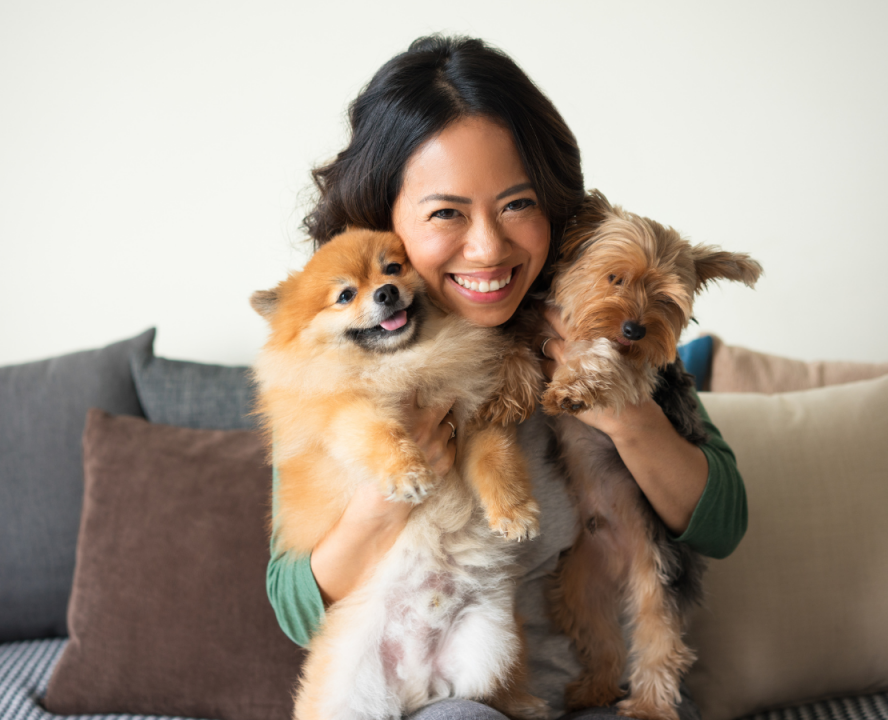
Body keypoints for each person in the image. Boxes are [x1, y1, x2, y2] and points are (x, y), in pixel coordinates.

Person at [266, 35, 747, 720]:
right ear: (385, 219)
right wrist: (391, 492)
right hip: (461, 700)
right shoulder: (341, 371)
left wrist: (618, 410)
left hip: (610, 698)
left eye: (517, 205)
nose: (488, 247)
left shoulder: (601, 317)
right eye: (446, 213)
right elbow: (295, 606)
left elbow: (722, 522)